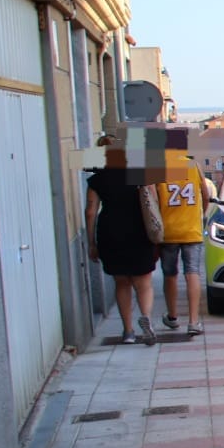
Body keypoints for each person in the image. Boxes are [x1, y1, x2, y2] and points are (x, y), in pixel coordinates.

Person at [85, 136, 159, 345]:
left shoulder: (97, 179)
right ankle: (146, 318)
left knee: (122, 282)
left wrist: (91, 243)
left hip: (111, 232)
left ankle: (128, 331)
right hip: (139, 230)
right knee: (143, 282)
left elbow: (90, 211)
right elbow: (153, 201)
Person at [157, 151, 208, 337]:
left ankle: (172, 316)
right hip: (191, 230)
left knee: (170, 274)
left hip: (167, 231)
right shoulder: (193, 166)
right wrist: (201, 214)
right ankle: (193, 321)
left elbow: (152, 200)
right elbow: (205, 193)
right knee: (192, 272)